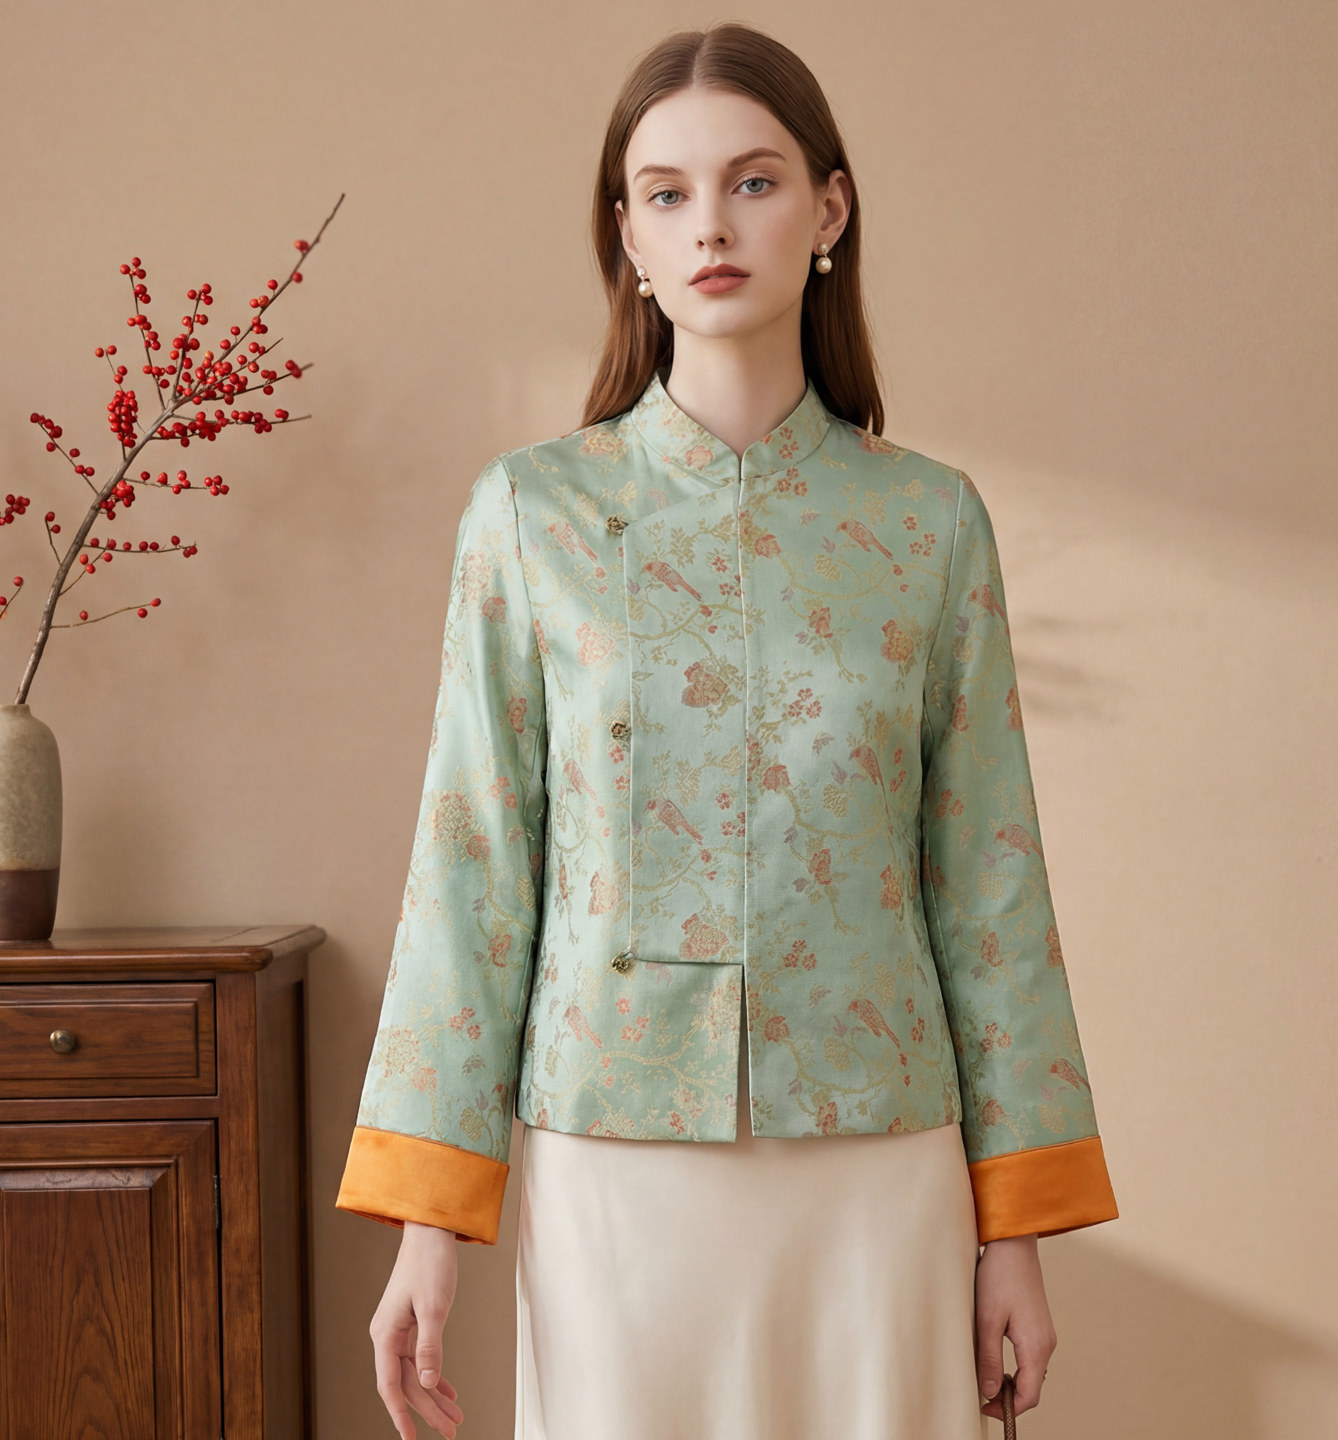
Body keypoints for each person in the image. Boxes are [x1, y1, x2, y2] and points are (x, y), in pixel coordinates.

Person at [336, 21, 1119, 1440]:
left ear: (829, 210)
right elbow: (473, 863)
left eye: (754, 182)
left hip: (880, 1159)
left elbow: (990, 882)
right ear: (627, 238)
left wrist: (1015, 1231)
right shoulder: (530, 516)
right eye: (668, 192)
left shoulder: (929, 524)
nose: (711, 224)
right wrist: (426, 1228)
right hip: (612, 1161)